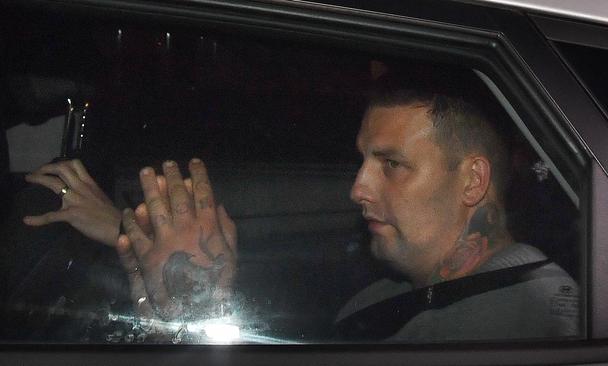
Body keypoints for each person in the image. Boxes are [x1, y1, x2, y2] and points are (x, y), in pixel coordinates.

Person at [20, 68, 578, 341]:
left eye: (392, 165)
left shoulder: (526, 324)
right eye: (363, 162)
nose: (358, 188)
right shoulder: (399, 292)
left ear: (472, 182)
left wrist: (192, 312)